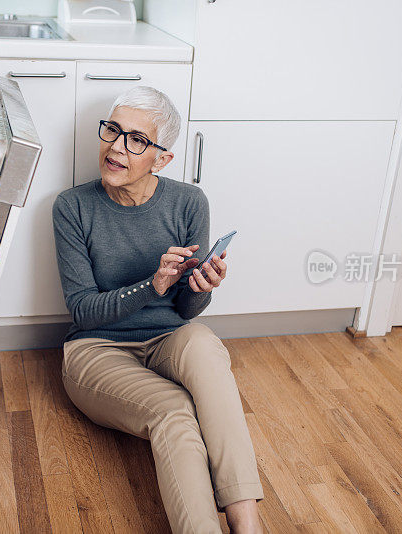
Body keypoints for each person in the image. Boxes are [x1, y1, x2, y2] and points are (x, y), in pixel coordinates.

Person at [51, 86, 265, 534]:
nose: (115, 147)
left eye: (136, 140)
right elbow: (84, 312)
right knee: (175, 412)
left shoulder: (189, 202)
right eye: (113, 130)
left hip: (169, 337)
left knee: (205, 347)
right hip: (96, 350)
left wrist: (202, 287)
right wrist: (153, 284)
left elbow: (187, 310)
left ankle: (250, 528)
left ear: (162, 159)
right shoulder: (72, 207)